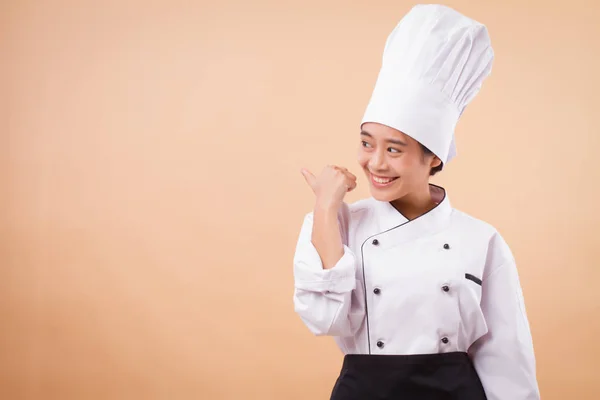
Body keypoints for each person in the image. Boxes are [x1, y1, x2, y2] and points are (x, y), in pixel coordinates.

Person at [293, 4, 540, 400]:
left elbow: (506, 355)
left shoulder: (480, 240)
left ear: (434, 157)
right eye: (366, 143)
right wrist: (325, 205)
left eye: (394, 149)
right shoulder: (337, 223)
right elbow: (323, 319)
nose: (375, 163)